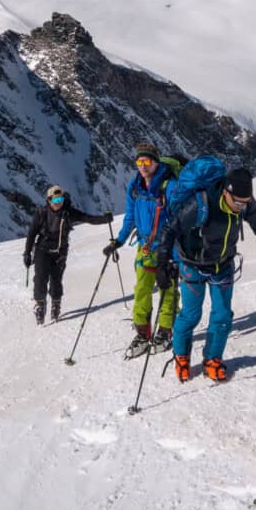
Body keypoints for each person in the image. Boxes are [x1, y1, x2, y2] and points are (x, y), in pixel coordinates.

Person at [156, 166, 256, 383]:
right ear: (225, 192)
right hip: (192, 265)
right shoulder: (201, 203)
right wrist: (162, 263)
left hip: (222, 265)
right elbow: (169, 230)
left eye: (246, 202)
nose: (241, 207)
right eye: (238, 202)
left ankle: (212, 359)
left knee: (222, 316)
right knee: (191, 314)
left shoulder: (245, 203)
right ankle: (181, 355)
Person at [103, 143, 178, 359]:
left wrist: (176, 256)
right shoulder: (134, 187)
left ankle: (165, 331)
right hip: (144, 248)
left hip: (167, 247)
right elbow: (130, 218)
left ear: (156, 161)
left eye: (147, 161)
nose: (143, 166)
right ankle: (143, 333)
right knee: (142, 290)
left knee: (168, 289)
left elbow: (178, 220)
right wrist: (118, 240)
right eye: (139, 162)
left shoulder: (169, 186)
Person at [24, 185, 112, 325]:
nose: (58, 202)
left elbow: (87, 218)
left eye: (60, 198)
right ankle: (40, 306)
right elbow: (31, 234)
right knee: (40, 279)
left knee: (56, 280)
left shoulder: (68, 212)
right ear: (49, 200)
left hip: (60, 251)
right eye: (55, 199)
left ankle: (56, 304)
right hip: (42, 250)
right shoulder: (41, 213)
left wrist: (105, 219)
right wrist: (27, 253)